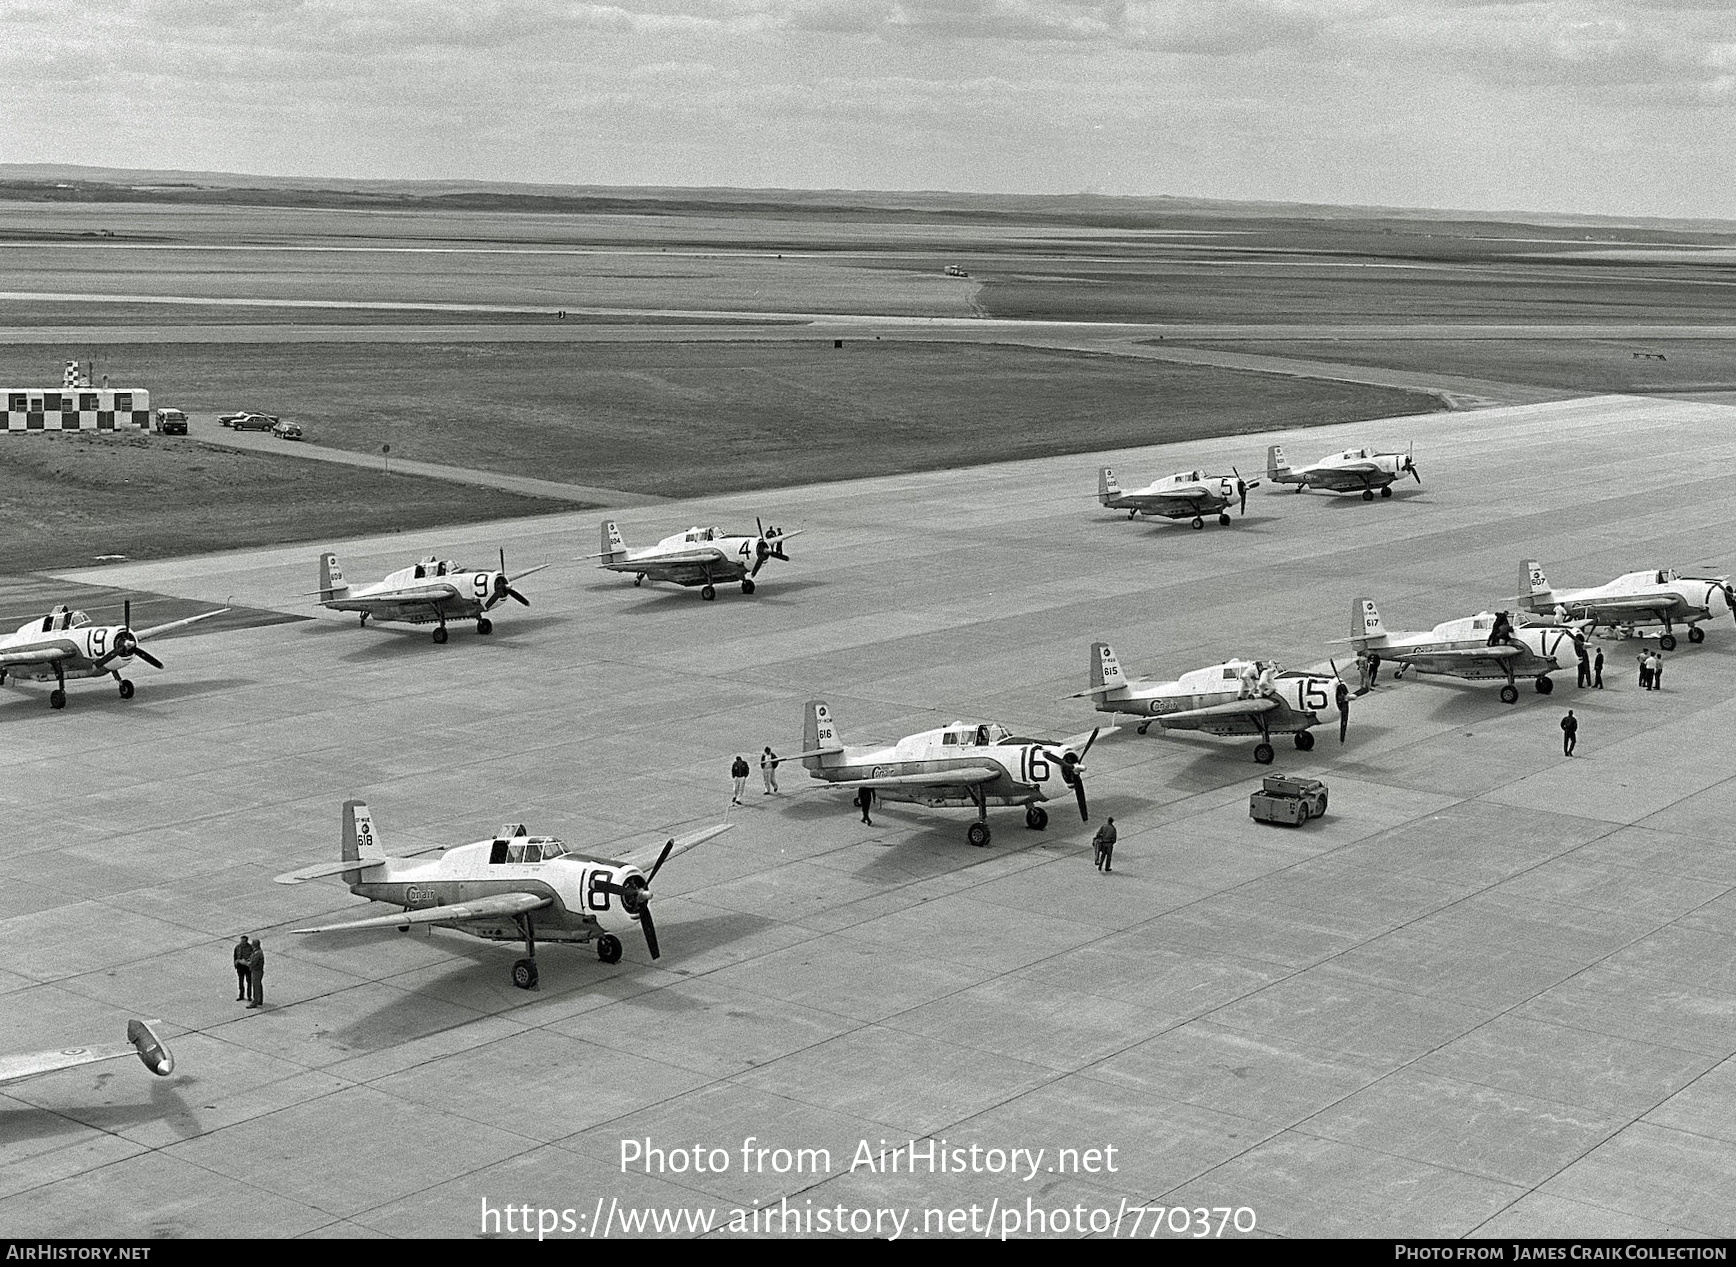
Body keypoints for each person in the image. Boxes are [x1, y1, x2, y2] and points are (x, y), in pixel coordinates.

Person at [246, 938, 265, 1009]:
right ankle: (260, 1000)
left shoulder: (257, 953)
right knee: (258, 985)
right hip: (258, 971)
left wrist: (245, 963)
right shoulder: (257, 952)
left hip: (256, 971)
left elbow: (252, 963)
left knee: (256, 986)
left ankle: (255, 1002)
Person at [233, 935, 252, 1001]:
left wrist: (247, 962)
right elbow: (235, 956)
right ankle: (241, 995)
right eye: (241, 941)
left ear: (246, 941)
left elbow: (252, 957)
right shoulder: (237, 947)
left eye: (244, 941)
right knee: (241, 981)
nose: (242, 943)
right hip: (240, 966)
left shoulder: (250, 948)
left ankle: (249, 996)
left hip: (247, 966)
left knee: (249, 981)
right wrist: (236, 964)